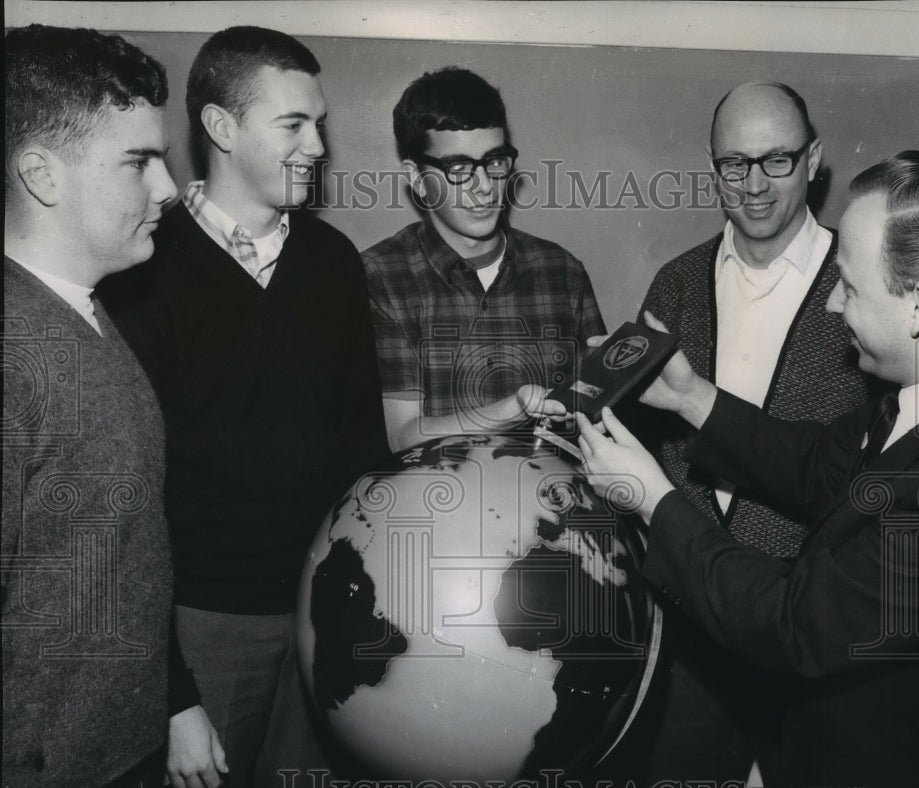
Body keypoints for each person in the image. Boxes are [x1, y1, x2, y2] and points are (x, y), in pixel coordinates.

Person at [577, 150, 919, 788]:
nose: (832, 306)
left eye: (849, 286)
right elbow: (819, 464)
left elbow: (797, 623)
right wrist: (690, 396)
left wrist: (653, 498)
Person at [99, 26, 389, 788]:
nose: (318, 146)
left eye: (319, 123)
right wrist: (172, 693)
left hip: (323, 618)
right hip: (200, 631)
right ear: (221, 128)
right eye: (293, 124)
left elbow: (364, 453)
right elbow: (121, 514)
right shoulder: (142, 270)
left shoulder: (333, 264)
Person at [628, 81, 875, 783]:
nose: (756, 185)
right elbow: (647, 455)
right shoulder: (674, 284)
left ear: (814, 160)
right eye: (736, 165)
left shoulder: (863, 292)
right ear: (713, 167)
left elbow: (860, 479)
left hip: (813, 644)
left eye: (777, 161)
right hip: (688, 645)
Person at [3, 24, 177, 787]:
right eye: (139, 162)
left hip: (119, 748)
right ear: (43, 174)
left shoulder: (88, 312)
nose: (169, 188)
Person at [362, 67, 606, 452]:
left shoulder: (562, 271)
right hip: (435, 505)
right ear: (415, 176)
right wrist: (511, 410)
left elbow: (597, 416)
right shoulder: (380, 276)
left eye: (495, 162)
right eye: (458, 169)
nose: (484, 186)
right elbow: (401, 436)